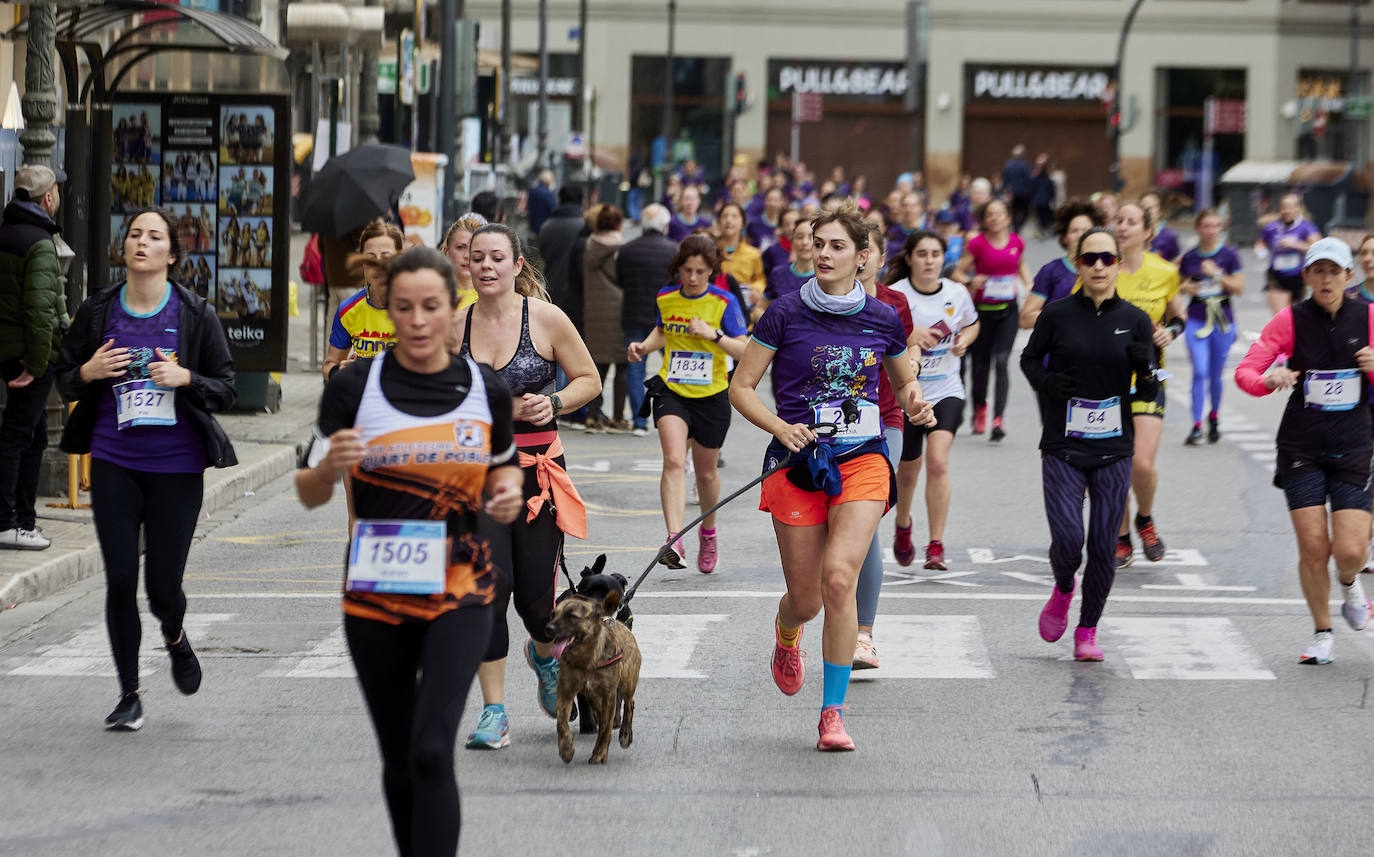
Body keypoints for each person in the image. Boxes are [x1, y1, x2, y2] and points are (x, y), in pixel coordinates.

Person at [295, 246, 524, 854]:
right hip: (376, 592)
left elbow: (505, 472)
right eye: (404, 308)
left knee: (430, 751)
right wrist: (326, 474)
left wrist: (504, 496)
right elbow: (309, 488)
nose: (418, 320)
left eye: (431, 306)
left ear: (455, 309)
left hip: (462, 589)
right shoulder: (352, 387)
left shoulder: (487, 390)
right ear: (389, 312)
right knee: (399, 758)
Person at [729, 205, 934, 751]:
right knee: (807, 598)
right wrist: (781, 426)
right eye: (818, 243)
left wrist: (916, 403)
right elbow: (742, 387)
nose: (823, 253)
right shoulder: (785, 312)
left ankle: (832, 714)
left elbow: (902, 381)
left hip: (862, 456)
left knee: (840, 578)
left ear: (862, 257)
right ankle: (786, 631)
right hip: (798, 462)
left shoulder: (882, 318)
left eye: (837, 246)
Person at [53, 208, 238, 729]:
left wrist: (185, 377)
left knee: (161, 589)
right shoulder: (98, 310)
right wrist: (88, 371)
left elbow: (225, 386)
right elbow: (65, 376)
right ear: (125, 248)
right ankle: (129, 694)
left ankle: (175, 637)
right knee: (117, 579)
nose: (141, 242)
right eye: (135, 234)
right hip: (114, 459)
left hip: (177, 467)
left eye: (154, 236)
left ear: (171, 255)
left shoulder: (195, 314)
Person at [457, 223, 601, 750]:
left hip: (538, 473)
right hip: (480, 478)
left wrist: (556, 402)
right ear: (467, 266)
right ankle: (494, 712)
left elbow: (589, 379)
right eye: (478, 258)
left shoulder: (544, 319)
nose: (487, 266)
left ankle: (544, 654)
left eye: (498, 257)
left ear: (517, 265)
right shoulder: (456, 327)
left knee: (538, 602)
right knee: (487, 594)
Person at [1021, 227, 1160, 661]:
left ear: (1119, 264)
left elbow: (1152, 393)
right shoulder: (1058, 314)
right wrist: (1047, 382)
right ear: (1078, 264)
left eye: (1107, 258)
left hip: (1114, 447)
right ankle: (1064, 588)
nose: (1098, 266)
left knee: (1103, 545)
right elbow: (1028, 358)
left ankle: (1087, 630)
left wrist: (1148, 370)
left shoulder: (1135, 320)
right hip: (1063, 443)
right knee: (1068, 540)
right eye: (1089, 259)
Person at [1235, 237, 1374, 665]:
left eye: (1335, 271)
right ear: (1308, 276)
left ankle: (1349, 583)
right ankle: (1321, 632)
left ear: (1350, 277)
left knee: (1350, 551)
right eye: (1319, 271)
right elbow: (1246, 372)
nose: (1327, 278)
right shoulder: (1290, 320)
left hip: (1353, 443)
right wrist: (1269, 379)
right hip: (1302, 444)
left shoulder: (1368, 317)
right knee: (1313, 546)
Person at [628, 234, 749, 570]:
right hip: (672, 389)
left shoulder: (724, 302)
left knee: (706, 474)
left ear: (711, 270)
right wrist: (643, 347)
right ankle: (674, 538)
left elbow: (745, 350)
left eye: (700, 271)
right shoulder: (666, 297)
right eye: (687, 270)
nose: (693, 277)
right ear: (678, 268)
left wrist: (714, 335)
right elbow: (662, 331)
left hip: (711, 394)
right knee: (673, 460)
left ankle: (708, 533)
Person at [886, 229, 980, 572]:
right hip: (908, 392)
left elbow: (972, 324)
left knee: (938, 462)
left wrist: (964, 341)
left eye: (935, 255)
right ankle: (903, 523)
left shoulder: (957, 293)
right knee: (908, 471)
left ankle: (936, 544)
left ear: (943, 259)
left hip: (946, 389)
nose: (929, 261)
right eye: (922, 254)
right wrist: (911, 338)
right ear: (909, 258)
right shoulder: (896, 295)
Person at [850, 220, 917, 669]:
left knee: (868, 519)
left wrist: (914, 387)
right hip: (830, 428)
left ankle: (863, 635)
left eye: (869, 250)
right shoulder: (820, 304)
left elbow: (906, 354)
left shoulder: (895, 304)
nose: (862, 258)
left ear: (877, 257)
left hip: (885, 423)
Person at [1108, 202, 1183, 569]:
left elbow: (1178, 316)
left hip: (1152, 375)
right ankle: (1121, 536)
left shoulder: (1166, 272)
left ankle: (1145, 518)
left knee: (1141, 462)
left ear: (1147, 231)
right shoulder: (1101, 268)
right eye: (1119, 220)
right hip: (1106, 379)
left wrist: (1170, 332)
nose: (1123, 227)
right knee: (1118, 461)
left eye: (1131, 221)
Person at [0, 165, 66, 551]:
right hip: (29, 357)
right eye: (55, 190)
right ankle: (9, 521)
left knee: (34, 434)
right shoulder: (38, 242)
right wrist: (37, 366)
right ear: (47, 198)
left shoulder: (6, 233)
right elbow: (40, 312)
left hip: (12, 351)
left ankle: (25, 521)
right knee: (18, 433)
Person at [953, 198, 1032, 441]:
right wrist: (969, 281)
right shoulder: (977, 244)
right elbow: (957, 271)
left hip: (1008, 310)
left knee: (1002, 361)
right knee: (981, 365)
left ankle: (998, 419)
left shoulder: (1017, 242)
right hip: (982, 313)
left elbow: (1020, 266)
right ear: (985, 220)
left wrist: (1030, 284)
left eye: (999, 214)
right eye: (990, 214)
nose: (995, 218)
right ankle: (980, 407)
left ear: (1008, 218)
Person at [1178, 209, 1244, 445]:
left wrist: (1216, 274)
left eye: (1215, 225)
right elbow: (1178, 285)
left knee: (1215, 374)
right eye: (1206, 226)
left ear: (1220, 228)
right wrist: (1186, 288)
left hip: (1222, 321)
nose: (1210, 230)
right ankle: (1196, 426)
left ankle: (1213, 416)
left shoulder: (1229, 255)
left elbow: (1238, 288)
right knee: (1199, 371)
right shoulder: (1189, 258)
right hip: (1196, 318)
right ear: (1197, 229)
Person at [616, 203, 678, 436]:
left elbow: (619, 279)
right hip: (666, 317)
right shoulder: (673, 250)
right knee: (673, 364)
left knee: (635, 367)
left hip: (633, 314)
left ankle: (639, 422)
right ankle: (674, 414)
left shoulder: (627, 249)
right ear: (664, 225)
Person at [321, 221, 404, 382]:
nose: (378, 265)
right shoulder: (348, 309)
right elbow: (328, 365)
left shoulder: (415, 307)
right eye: (370, 258)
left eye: (386, 257)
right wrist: (340, 371)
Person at [582, 205, 630, 432]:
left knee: (597, 367)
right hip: (619, 310)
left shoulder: (589, 246)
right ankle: (618, 417)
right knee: (622, 367)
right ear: (619, 224)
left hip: (594, 311)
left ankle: (592, 416)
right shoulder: (621, 248)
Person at [1019, 200, 1100, 330]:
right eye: (1074, 231)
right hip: (1057, 348)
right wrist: (1066, 315)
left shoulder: (1107, 270)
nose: (1080, 235)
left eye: (1086, 230)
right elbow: (1025, 320)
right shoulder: (1051, 271)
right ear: (1064, 237)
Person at [1257, 192, 1321, 315]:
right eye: (1284, 207)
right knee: (1280, 315)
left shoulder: (1306, 227)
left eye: (1291, 207)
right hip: (1276, 275)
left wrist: (1295, 244)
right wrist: (1261, 251)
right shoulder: (1271, 227)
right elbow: (1261, 243)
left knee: (1294, 316)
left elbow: (1317, 247)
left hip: (1297, 275)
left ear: (1298, 208)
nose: (1287, 211)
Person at [537, 186, 586, 328]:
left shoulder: (546, 226)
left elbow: (543, 255)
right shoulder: (583, 227)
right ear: (581, 202)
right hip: (577, 296)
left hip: (551, 289)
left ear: (559, 200)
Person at [715, 202, 766, 313]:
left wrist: (757, 289)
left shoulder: (753, 254)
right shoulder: (710, 251)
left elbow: (760, 278)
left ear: (743, 223)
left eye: (734, 216)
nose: (729, 220)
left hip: (743, 309)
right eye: (725, 216)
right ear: (719, 223)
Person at [439, 213, 487, 312]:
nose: (467, 255)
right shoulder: (432, 293)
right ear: (446, 250)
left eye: (474, 249)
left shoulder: (492, 296)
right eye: (460, 247)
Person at [763, 219, 814, 308]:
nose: (805, 242)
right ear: (792, 242)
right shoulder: (778, 273)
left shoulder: (825, 277)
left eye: (811, 237)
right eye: (799, 237)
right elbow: (760, 307)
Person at [1141, 190, 1181, 263]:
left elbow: (1176, 263)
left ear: (1160, 210)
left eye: (1149, 208)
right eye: (1142, 208)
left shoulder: (1169, 236)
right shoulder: (1134, 232)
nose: (1145, 211)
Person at [1001, 144, 1033, 233]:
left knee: (1014, 212)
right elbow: (1028, 179)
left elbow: (1005, 180)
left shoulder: (1008, 165)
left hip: (1012, 193)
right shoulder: (1024, 166)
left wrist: (1006, 192)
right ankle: (1018, 227)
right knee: (1025, 211)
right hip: (1023, 193)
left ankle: (1016, 228)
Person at [527, 169, 557, 234]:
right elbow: (554, 211)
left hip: (533, 228)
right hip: (546, 229)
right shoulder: (548, 194)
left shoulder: (532, 192)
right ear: (549, 181)